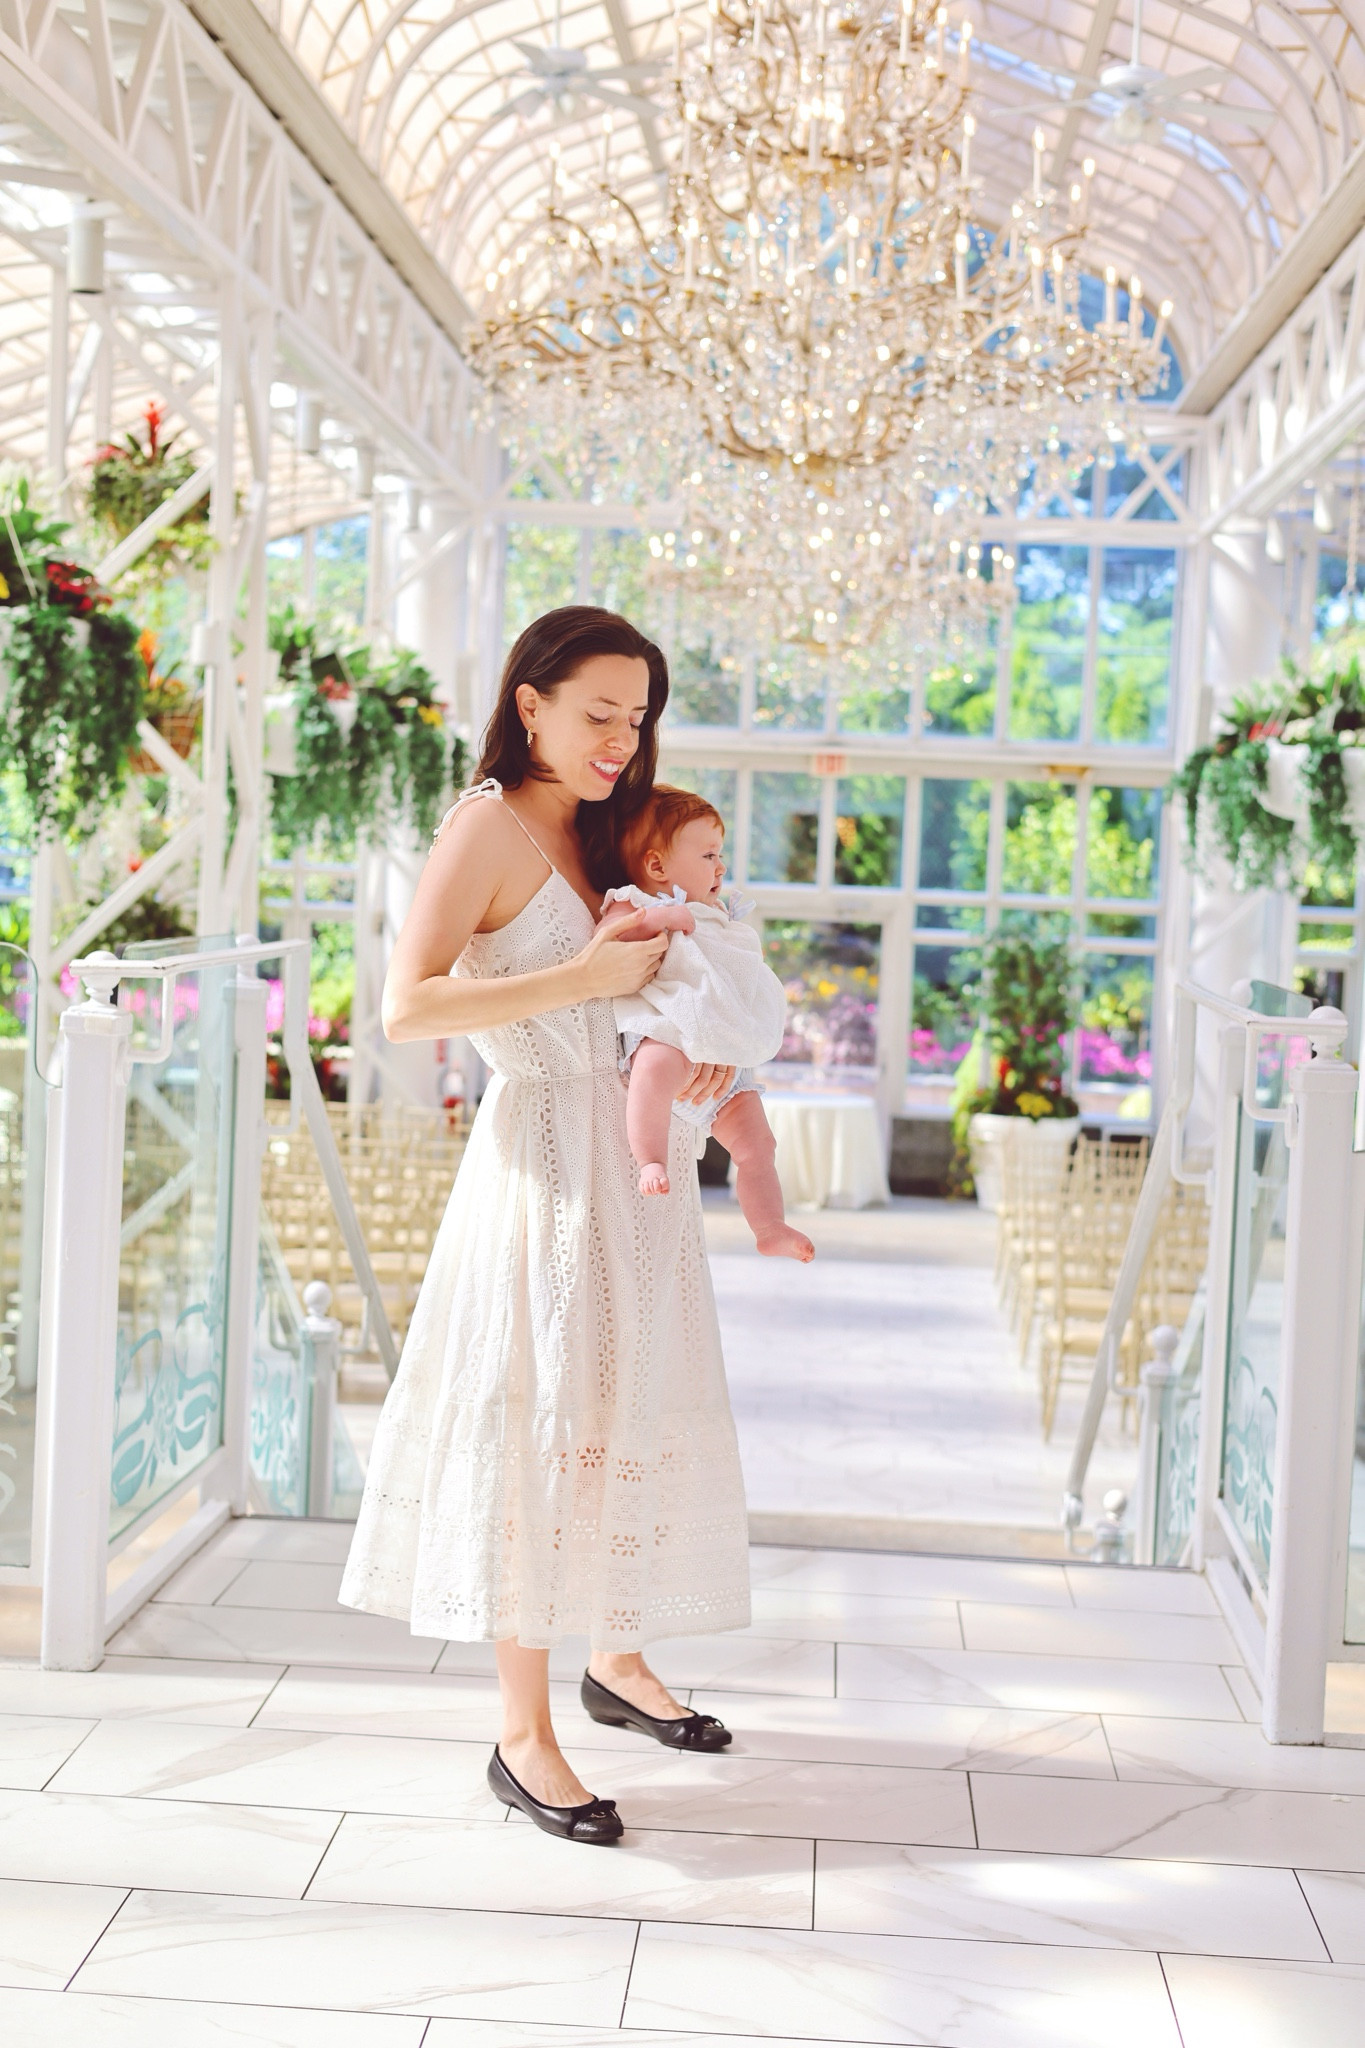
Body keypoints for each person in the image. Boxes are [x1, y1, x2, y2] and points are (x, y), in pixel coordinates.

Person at [339, 607, 751, 1846]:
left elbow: (682, 980)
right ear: (530, 703)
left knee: (626, 1410)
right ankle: (523, 1736)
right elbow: (406, 1006)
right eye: (597, 714)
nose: (623, 739)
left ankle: (616, 1654)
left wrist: (708, 1065)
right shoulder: (491, 824)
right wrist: (579, 981)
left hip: (636, 1173)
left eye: (638, 718)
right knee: (539, 1428)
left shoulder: (614, 822)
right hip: (543, 1176)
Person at [601, 783, 815, 1262]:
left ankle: (769, 1225)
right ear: (657, 866)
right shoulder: (635, 901)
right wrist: (658, 919)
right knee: (651, 1073)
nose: (721, 866)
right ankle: (649, 1157)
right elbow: (608, 937)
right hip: (670, 1031)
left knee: (758, 1143)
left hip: (725, 1052)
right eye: (709, 855)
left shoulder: (721, 909)